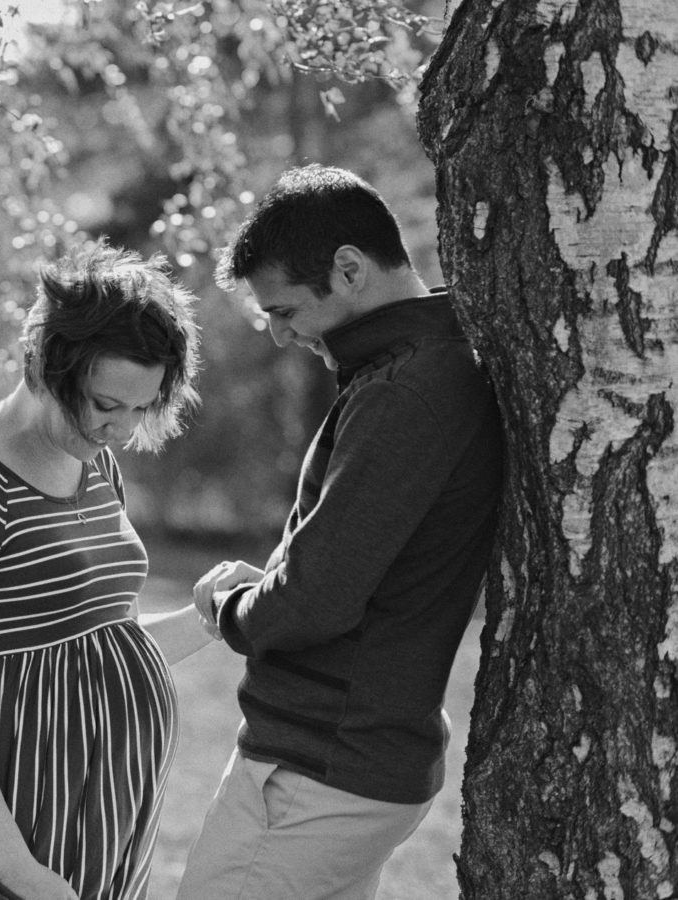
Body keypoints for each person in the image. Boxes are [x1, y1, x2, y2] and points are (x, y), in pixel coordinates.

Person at [176, 165, 505, 900]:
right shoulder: (409, 373)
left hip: (319, 768)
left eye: (284, 309)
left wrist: (229, 609)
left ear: (349, 269)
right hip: (344, 759)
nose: (279, 332)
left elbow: (315, 600)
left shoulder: (405, 393)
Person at [0, 241, 218, 900]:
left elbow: (95, 646)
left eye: (140, 408)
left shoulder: (95, 466)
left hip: (102, 836)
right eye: (104, 404)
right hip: (5, 848)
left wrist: (206, 618)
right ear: (46, 364)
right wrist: (20, 873)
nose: (120, 429)